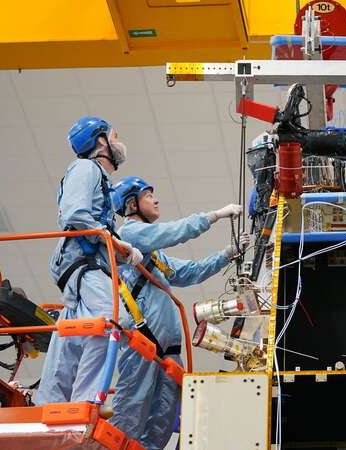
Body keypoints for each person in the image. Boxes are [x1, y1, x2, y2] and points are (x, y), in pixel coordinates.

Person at [108, 176, 247, 450]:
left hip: (166, 351)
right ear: (132, 204)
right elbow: (173, 232)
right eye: (148, 195)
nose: (156, 199)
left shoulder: (152, 254)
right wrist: (215, 216)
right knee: (131, 412)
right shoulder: (130, 235)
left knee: (162, 419)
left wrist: (228, 254)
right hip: (143, 343)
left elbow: (188, 272)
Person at [35, 117, 144, 405]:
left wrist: (117, 249)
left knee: (73, 332)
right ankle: (85, 402)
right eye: (114, 135)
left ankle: (49, 403)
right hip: (80, 261)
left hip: (82, 261)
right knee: (113, 320)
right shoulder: (86, 168)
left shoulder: (99, 177)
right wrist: (115, 242)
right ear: (100, 141)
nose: (119, 141)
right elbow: (74, 214)